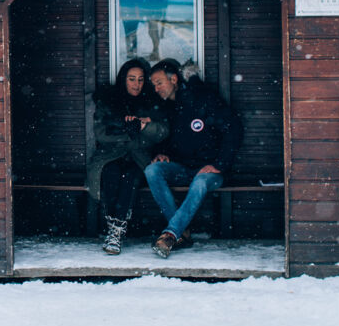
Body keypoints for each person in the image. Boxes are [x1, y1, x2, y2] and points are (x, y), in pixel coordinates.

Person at [144, 59, 243, 259]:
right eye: (153, 85)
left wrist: (219, 164)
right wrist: (161, 153)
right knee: (152, 170)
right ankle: (182, 232)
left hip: (210, 172)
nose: (156, 89)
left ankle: (171, 234)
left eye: (159, 83)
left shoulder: (202, 99)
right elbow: (164, 136)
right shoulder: (165, 108)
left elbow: (234, 128)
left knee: (199, 182)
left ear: (173, 79)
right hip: (182, 168)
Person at [87, 58, 168, 255]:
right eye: (132, 79)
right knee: (111, 174)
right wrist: (126, 128)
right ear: (123, 79)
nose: (136, 84)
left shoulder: (152, 101)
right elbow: (100, 132)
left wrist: (143, 126)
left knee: (131, 177)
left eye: (141, 79)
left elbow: (162, 131)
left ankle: (115, 231)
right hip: (110, 156)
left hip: (139, 157)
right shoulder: (109, 101)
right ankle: (114, 229)